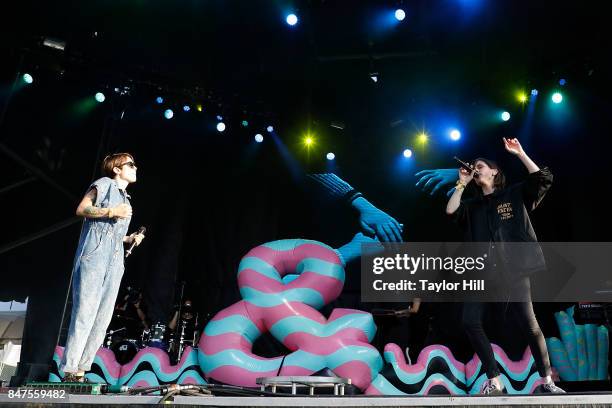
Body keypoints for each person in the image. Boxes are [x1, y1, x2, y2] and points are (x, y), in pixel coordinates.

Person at [445, 138, 564, 394]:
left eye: (480, 166)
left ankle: (547, 381)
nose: (476, 169)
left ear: (494, 170)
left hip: (515, 269)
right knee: (469, 321)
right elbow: (451, 210)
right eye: (473, 167)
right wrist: (462, 183)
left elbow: (542, 178)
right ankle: (495, 380)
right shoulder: (473, 206)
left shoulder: (513, 194)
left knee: (529, 325)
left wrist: (520, 152)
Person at [60, 153, 145, 382]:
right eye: (130, 164)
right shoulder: (104, 184)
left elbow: (113, 233)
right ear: (117, 169)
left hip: (115, 260)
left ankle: (80, 371)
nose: (135, 167)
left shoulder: (126, 199)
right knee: (85, 312)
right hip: (95, 256)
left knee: (103, 318)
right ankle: (69, 368)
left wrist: (129, 239)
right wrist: (110, 211)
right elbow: (82, 209)